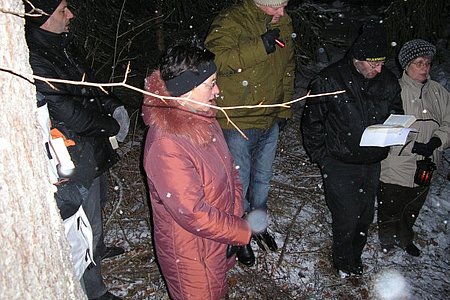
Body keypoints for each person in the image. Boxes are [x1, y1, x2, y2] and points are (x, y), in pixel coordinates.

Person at [25, 0, 129, 299]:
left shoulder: (64, 43)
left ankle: (96, 248)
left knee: (101, 200)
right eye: (62, 10)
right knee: (87, 218)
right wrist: (109, 125)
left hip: (92, 145)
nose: (71, 15)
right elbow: (67, 113)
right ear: (43, 17)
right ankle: (94, 289)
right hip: (73, 150)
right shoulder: (35, 57)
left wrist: (113, 104)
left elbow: (91, 84)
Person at [142, 39, 253, 300]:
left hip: (216, 239)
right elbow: (193, 214)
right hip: (191, 254)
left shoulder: (203, 116)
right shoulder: (166, 144)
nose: (217, 90)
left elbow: (230, 170)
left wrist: (236, 218)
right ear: (186, 91)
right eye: (210, 84)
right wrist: (242, 231)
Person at [301, 22, 404, 278]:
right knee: (346, 217)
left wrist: (395, 127)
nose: (379, 69)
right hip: (339, 162)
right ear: (358, 59)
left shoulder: (387, 80)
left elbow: (397, 110)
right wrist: (322, 158)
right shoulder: (330, 80)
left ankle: (355, 255)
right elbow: (312, 123)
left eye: (381, 63)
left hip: (372, 161)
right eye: (373, 64)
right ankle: (343, 262)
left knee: (365, 216)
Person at [204, 0, 295, 255]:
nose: (282, 13)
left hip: (269, 117)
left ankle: (257, 226)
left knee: (262, 181)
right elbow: (214, 61)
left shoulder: (283, 22)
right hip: (238, 121)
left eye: (284, 5)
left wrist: (284, 107)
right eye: (276, 7)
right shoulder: (231, 20)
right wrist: (258, 47)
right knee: (238, 184)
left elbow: (287, 68)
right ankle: (237, 235)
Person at [377, 39, 450, 257]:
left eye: (427, 63)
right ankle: (387, 239)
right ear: (406, 65)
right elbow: (382, 127)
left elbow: (448, 121)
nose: (425, 68)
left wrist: (436, 142)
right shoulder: (393, 89)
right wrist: (412, 145)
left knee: (413, 206)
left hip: (426, 164)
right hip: (397, 162)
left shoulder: (438, 91)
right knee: (390, 205)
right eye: (419, 63)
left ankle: (405, 238)